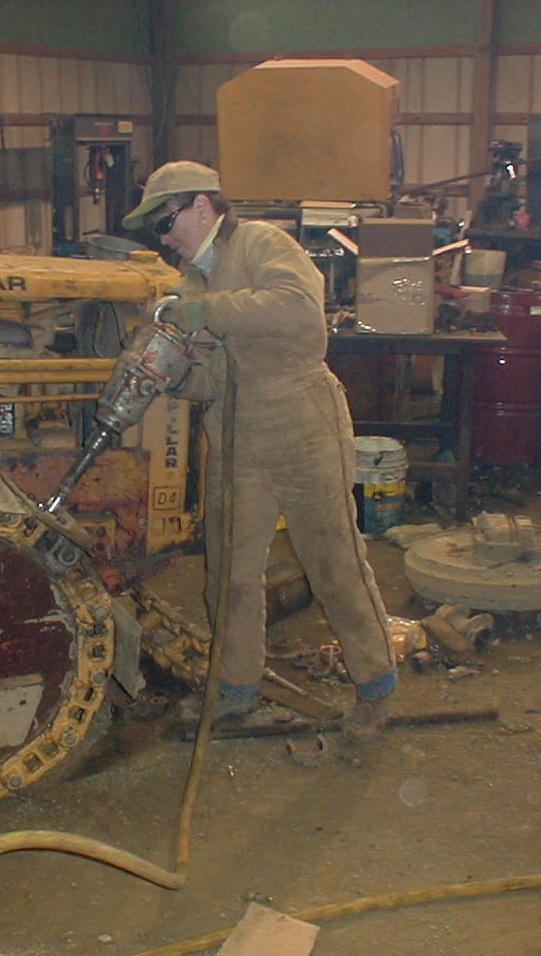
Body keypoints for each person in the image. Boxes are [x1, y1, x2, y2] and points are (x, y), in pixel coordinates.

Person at [122, 160, 397, 739]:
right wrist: (169, 375)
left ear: (203, 206)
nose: (164, 238)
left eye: (167, 221)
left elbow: (298, 312)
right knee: (230, 573)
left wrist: (205, 313)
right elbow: (209, 381)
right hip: (233, 434)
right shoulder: (190, 283)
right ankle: (236, 688)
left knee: (334, 563)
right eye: (156, 230)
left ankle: (375, 686)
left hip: (302, 423)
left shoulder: (261, 244)